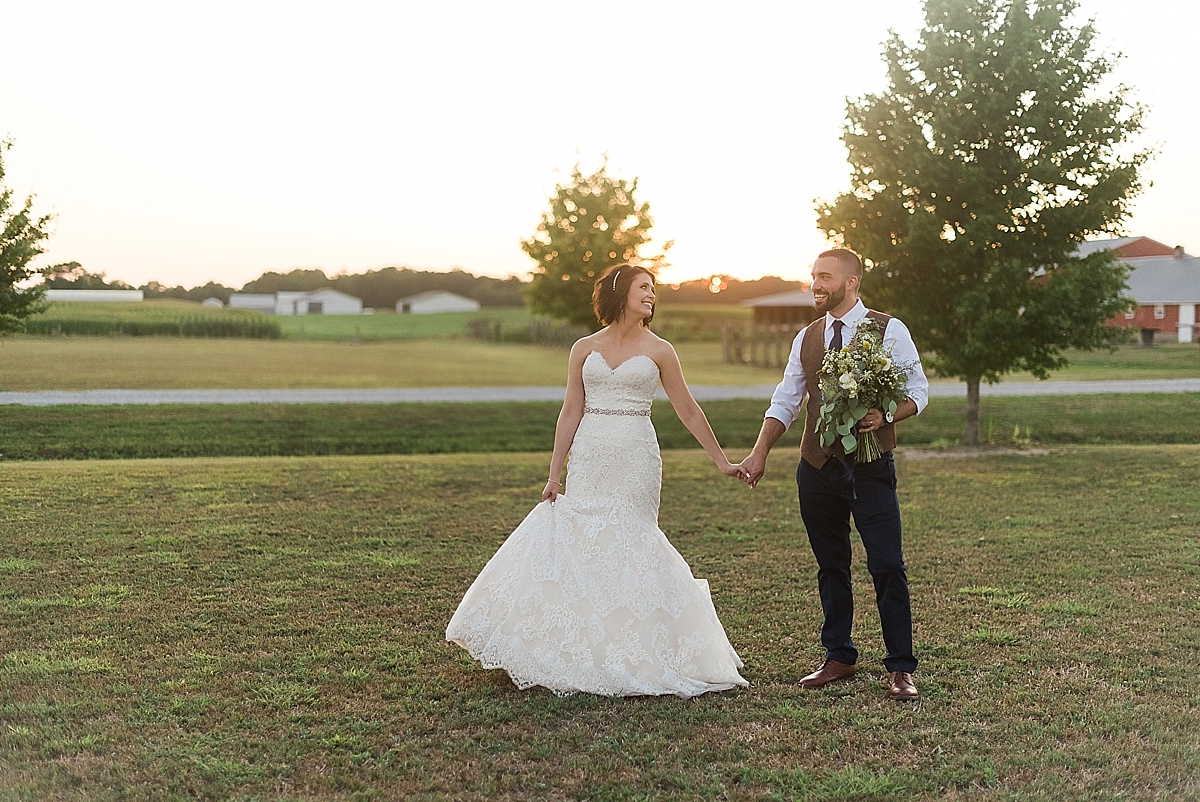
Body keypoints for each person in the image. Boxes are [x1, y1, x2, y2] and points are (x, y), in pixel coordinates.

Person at [446, 263, 749, 698]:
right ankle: (583, 647)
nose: (651, 295)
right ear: (621, 292)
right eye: (644, 288)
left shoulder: (661, 350)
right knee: (586, 543)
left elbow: (688, 410)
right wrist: (554, 473)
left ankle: (640, 649)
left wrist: (721, 461)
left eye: (653, 289)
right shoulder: (583, 348)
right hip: (590, 453)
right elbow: (570, 410)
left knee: (631, 539)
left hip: (636, 456)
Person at [739, 248, 929, 701]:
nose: (815, 285)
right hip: (817, 468)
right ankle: (839, 656)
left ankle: (901, 667)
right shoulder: (807, 336)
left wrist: (885, 416)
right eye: (813, 277)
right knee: (831, 565)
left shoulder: (889, 330)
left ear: (852, 282)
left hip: (870, 469)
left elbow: (919, 391)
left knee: (886, 565)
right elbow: (786, 399)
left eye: (824, 277)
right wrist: (760, 452)